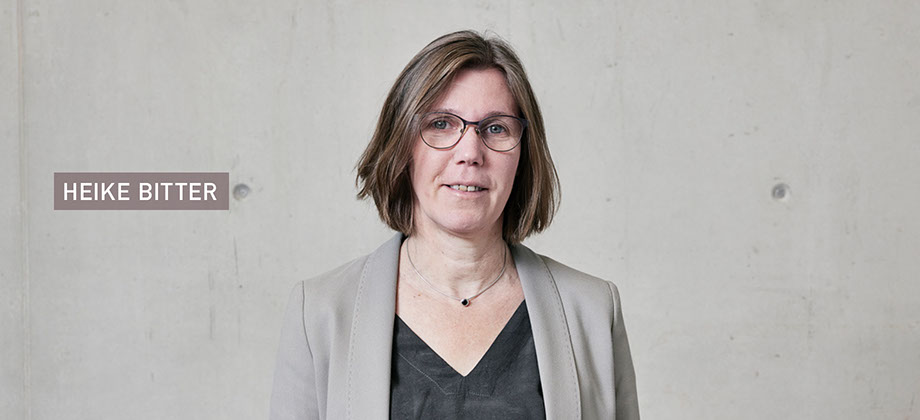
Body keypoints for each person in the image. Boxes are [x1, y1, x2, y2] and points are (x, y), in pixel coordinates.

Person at [270, 30, 639, 420]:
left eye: (496, 128)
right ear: (402, 147)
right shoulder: (320, 312)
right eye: (442, 124)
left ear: (523, 155)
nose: (470, 153)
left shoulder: (593, 310)